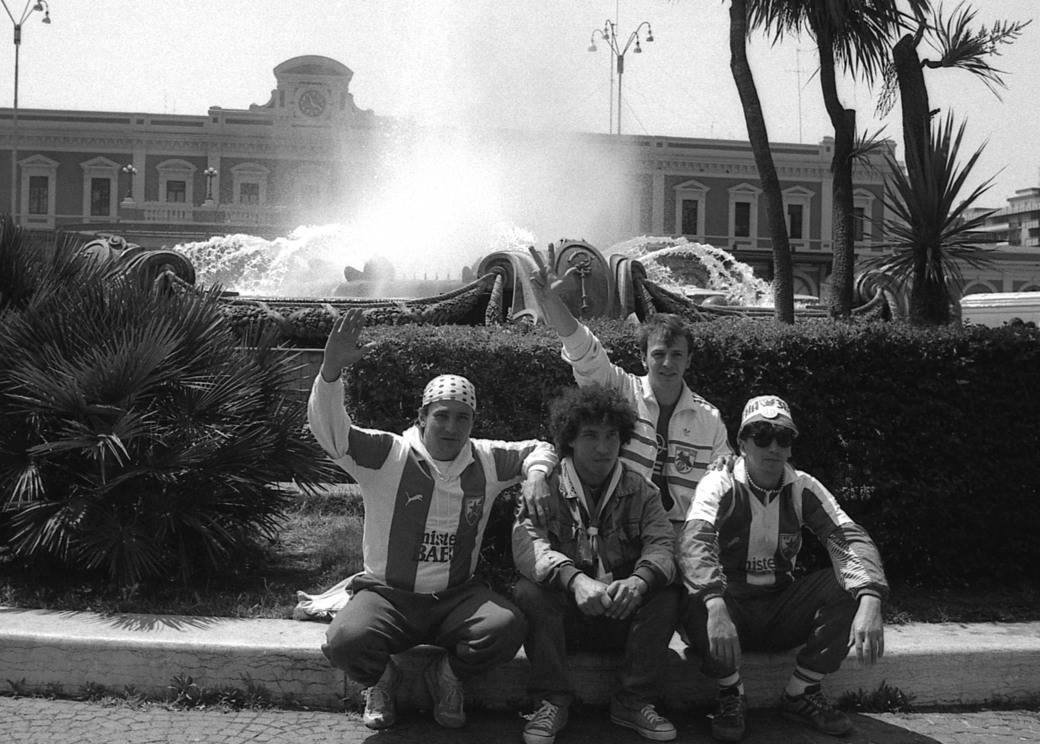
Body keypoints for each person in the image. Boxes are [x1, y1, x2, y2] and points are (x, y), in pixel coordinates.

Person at [307, 308, 557, 731]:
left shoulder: (487, 459)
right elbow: (333, 433)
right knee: (344, 642)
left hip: (457, 597)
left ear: (473, 423)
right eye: (441, 414)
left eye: (462, 417)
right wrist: (330, 372)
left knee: (507, 626)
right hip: (389, 595)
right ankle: (381, 681)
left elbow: (541, 447)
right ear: (422, 417)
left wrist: (536, 475)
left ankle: (447, 676)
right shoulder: (389, 455)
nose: (451, 426)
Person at [678, 395, 888, 741]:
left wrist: (870, 598)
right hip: (731, 609)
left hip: (780, 607)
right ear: (743, 443)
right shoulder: (720, 483)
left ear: (791, 447)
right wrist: (714, 603)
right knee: (690, 592)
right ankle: (731, 693)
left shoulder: (802, 487)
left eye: (783, 438)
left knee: (848, 583)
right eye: (761, 436)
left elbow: (847, 536)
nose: (773, 447)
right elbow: (694, 543)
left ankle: (802, 692)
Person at [512, 384, 680, 744]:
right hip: (568, 616)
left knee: (666, 594)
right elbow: (528, 544)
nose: (603, 448)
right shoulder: (545, 487)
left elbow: (663, 545)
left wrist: (639, 581)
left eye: (611, 436)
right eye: (590, 436)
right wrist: (574, 580)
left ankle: (634, 701)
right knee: (529, 593)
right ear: (570, 439)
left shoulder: (642, 490)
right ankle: (551, 700)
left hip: (621, 611)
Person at [526, 245, 732, 530]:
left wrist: (727, 464)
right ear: (643, 357)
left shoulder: (709, 419)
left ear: (689, 361)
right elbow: (584, 350)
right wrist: (551, 302)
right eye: (659, 354)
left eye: (677, 355)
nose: (667, 363)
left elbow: (724, 474)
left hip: (685, 533)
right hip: (622, 530)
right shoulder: (622, 390)